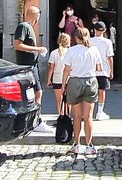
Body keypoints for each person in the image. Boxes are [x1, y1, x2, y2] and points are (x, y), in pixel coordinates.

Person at [62, 27, 102, 155]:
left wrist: (63, 85)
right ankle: (89, 145)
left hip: (75, 81)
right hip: (90, 81)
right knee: (88, 116)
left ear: (76, 38)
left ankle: (77, 144)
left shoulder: (71, 51)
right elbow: (99, 67)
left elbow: (67, 69)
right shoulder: (94, 49)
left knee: (77, 116)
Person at [14, 6, 51, 131]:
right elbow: (18, 45)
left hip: (32, 65)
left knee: (36, 92)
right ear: (35, 16)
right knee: (36, 92)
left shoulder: (28, 27)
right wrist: (38, 49)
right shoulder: (24, 26)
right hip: (27, 66)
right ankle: (36, 121)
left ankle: (34, 119)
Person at [90, 22, 114, 121]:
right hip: (103, 70)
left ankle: (89, 112)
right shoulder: (107, 42)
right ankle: (100, 112)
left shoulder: (90, 41)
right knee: (102, 90)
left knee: (90, 92)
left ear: (94, 30)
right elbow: (110, 57)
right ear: (104, 30)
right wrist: (111, 70)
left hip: (91, 70)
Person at [47, 32, 71, 110]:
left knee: (59, 99)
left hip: (57, 79)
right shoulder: (71, 52)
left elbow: (51, 68)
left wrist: (49, 80)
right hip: (69, 78)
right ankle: (68, 116)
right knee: (68, 99)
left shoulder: (54, 53)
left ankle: (61, 115)